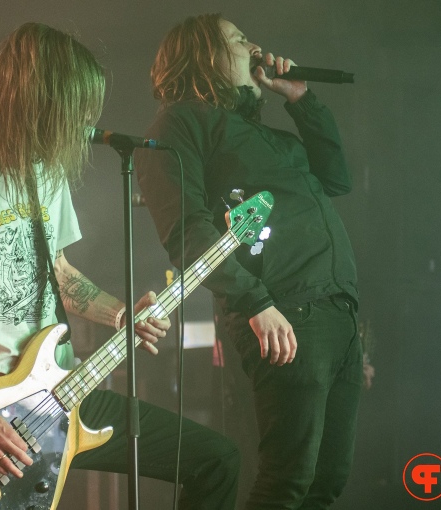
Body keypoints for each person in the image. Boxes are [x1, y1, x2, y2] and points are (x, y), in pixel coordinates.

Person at [0, 22, 238, 510]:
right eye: (77, 106)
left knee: (215, 460)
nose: (85, 121)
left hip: (60, 388)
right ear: (41, 101)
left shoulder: (44, 170)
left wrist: (123, 316)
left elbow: (55, 270)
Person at [136, 13, 362, 509]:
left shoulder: (267, 135)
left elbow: (337, 178)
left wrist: (302, 99)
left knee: (326, 483)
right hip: (284, 312)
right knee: (289, 481)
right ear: (205, 56)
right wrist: (256, 301)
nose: (254, 45)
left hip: (335, 312)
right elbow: (185, 230)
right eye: (238, 39)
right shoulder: (180, 122)